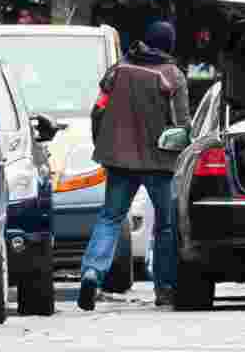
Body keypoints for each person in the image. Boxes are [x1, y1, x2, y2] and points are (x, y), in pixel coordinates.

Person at [78, 21, 190, 311]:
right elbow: (182, 126)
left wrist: (103, 146)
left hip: (119, 160)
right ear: (169, 45)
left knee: (110, 218)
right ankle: (165, 288)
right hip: (159, 164)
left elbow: (98, 109)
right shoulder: (173, 76)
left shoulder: (118, 70)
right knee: (165, 227)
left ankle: (92, 272)